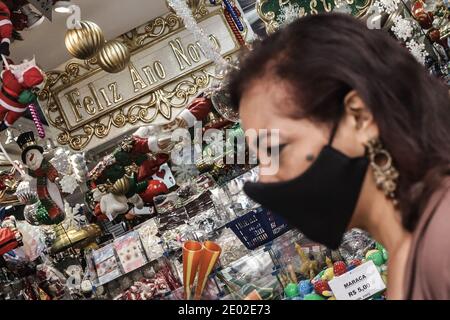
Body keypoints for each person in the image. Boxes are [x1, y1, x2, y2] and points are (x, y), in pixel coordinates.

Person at [228, 13, 450, 299]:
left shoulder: (441, 241)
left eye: (275, 149)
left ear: (360, 118)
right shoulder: (412, 248)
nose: (266, 177)